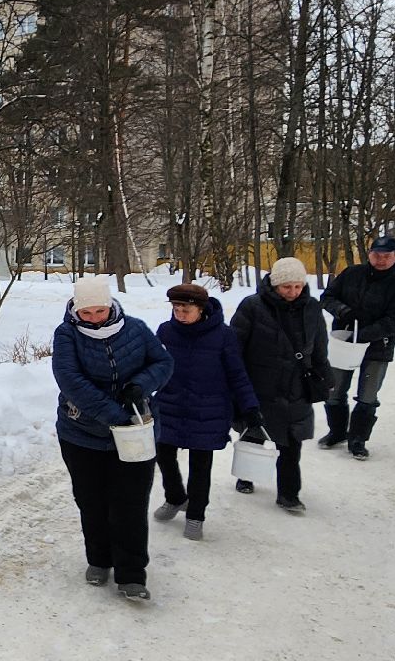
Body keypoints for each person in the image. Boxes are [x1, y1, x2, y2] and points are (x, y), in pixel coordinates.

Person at [53, 275, 175, 601]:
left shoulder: (135, 328)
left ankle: (132, 574)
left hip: (136, 433)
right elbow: (70, 381)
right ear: (76, 310)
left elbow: (163, 362)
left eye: (100, 311)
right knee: (91, 500)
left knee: (130, 503)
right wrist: (115, 416)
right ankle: (99, 559)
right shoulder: (66, 335)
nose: (94, 318)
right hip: (82, 434)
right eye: (86, 313)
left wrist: (140, 386)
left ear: (110, 306)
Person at [151, 283, 263, 541]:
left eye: (186, 310)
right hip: (170, 404)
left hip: (208, 408)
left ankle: (196, 515)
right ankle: (176, 497)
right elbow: (153, 365)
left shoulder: (223, 335)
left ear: (201, 309)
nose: (180, 314)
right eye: (176, 309)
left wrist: (250, 406)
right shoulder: (166, 331)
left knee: (200, 466)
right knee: (162, 454)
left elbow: (237, 374)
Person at [231, 257, 330, 513]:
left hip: (296, 385)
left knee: (291, 442)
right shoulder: (252, 306)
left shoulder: (311, 307)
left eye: (298, 286)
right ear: (275, 284)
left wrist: (324, 375)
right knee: (254, 433)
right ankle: (246, 475)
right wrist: (235, 382)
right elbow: (235, 346)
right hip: (260, 383)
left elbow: (320, 344)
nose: (293, 292)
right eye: (287, 287)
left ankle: (288, 494)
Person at [318, 235, 395, 461]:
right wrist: (344, 312)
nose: (380, 260)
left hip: (378, 347)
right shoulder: (352, 274)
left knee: (368, 395)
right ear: (369, 255)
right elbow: (327, 297)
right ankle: (337, 431)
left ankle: (358, 439)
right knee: (334, 390)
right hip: (344, 343)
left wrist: (365, 334)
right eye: (376, 255)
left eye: (386, 256)